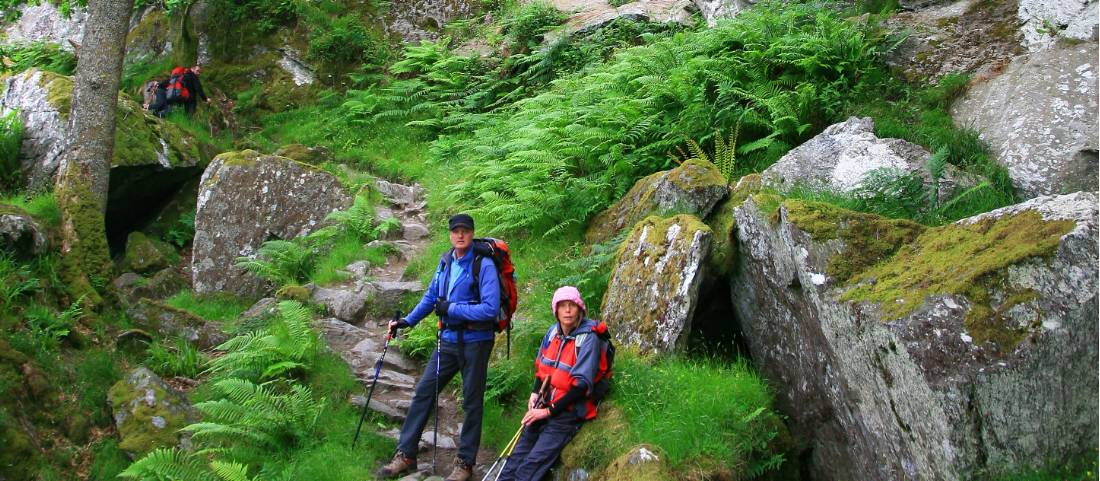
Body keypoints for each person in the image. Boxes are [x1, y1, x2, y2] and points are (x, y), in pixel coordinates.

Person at [378, 213, 501, 481]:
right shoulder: (446, 262)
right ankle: (406, 455)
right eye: (455, 231)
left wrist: (452, 309)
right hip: (446, 341)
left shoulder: (485, 265)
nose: (460, 235)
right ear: (450, 234)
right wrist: (406, 321)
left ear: (472, 233)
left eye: (465, 231)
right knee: (424, 393)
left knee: (471, 402)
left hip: (475, 343)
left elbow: (491, 309)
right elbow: (432, 296)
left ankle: (465, 464)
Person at [496, 286, 603, 481]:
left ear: (580, 309)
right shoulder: (553, 333)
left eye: (572, 306)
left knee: (529, 467)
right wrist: (535, 394)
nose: (568, 311)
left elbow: (581, 386)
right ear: (556, 310)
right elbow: (542, 369)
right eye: (563, 306)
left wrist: (547, 412)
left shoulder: (588, 339)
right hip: (543, 405)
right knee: (514, 460)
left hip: (566, 413)